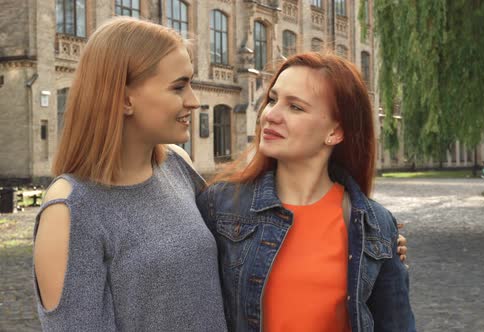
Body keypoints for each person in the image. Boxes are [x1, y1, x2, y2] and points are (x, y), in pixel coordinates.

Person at [32, 18, 227, 331]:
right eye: (178, 86)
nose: (194, 100)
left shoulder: (177, 166)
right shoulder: (70, 210)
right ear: (124, 99)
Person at [197, 53, 415, 331]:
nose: (270, 115)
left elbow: (396, 324)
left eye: (295, 107)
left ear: (335, 132)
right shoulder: (221, 207)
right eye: (273, 99)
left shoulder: (375, 225)